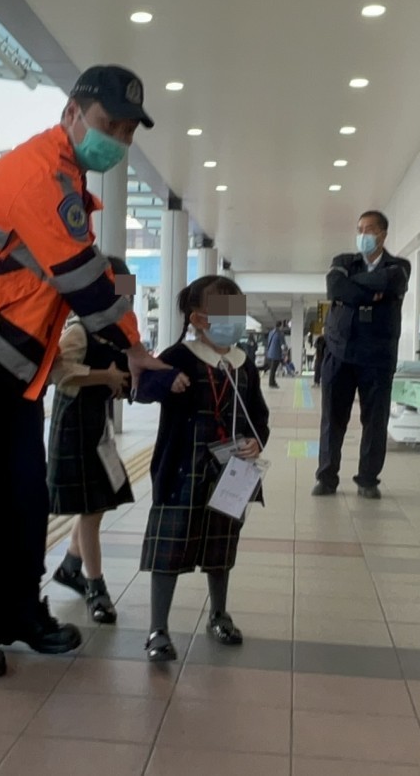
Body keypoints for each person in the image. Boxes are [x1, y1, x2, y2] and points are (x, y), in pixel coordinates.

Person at [0, 65, 188, 678]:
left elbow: (84, 275)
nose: (120, 140)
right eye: (111, 125)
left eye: (130, 131)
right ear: (73, 114)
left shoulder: (69, 186)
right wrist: (134, 351)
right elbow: (81, 277)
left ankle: (17, 613)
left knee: (26, 496)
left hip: (6, 367)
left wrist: (127, 346)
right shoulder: (37, 174)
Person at [134, 275, 270, 662]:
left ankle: (219, 614)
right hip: (182, 468)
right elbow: (140, 389)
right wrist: (165, 381)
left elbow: (259, 414)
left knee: (221, 544)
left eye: (237, 312)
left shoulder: (244, 364)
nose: (235, 321)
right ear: (198, 318)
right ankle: (158, 628)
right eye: (226, 313)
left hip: (231, 469)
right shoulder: (178, 356)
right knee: (169, 548)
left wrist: (256, 440)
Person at [48, 256, 135, 625]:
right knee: (91, 507)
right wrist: (105, 376)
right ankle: (95, 585)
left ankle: (71, 565)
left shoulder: (113, 331)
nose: (125, 303)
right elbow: (58, 372)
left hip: (96, 427)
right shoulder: (80, 328)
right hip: (75, 427)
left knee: (94, 505)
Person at [313, 211, 411, 500]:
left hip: (378, 357)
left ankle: (368, 479)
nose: (363, 235)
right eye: (359, 229)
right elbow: (335, 287)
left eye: (368, 229)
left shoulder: (399, 266)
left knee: (375, 420)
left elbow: (390, 282)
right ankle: (327, 478)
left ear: (382, 234)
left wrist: (353, 291)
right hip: (339, 352)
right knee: (332, 419)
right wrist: (372, 294)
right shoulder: (343, 262)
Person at [265, 322, 284, 387]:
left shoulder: (271, 332)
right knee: (273, 370)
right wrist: (285, 352)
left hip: (269, 354)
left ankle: (272, 382)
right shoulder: (280, 334)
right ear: (280, 326)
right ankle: (271, 383)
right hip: (276, 355)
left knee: (272, 370)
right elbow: (283, 345)